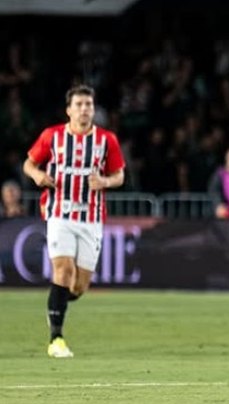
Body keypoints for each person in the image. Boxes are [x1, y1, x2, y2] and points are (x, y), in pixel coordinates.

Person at [22, 84, 126, 358]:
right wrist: (37, 176)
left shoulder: (106, 140)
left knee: (78, 287)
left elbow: (119, 175)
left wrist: (104, 181)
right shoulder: (52, 136)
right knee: (62, 271)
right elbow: (29, 164)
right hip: (59, 212)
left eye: (88, 105)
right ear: (69, 110)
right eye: (79, 105)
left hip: (91, 217)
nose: (84, 110)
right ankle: (56, 339)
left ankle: (55, 305)